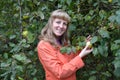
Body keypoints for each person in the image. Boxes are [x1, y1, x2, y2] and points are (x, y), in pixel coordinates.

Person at [37, 9, 93, 80]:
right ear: (51, 23)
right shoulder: (44, 46)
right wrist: (81, 55)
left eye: (64, 24)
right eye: (58, 22)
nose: (61, 26)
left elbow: (73, 59)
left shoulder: (65, 43)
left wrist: (84, 46)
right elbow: (59, 73)